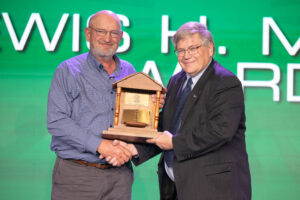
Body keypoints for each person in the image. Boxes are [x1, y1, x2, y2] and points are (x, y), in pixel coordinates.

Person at [132, 22, 252, 199]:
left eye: (193, 48)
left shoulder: (226, 82)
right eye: (180, 50)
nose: (186, 55)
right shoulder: (176, 81)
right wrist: (134, 148)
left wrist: (174, 143)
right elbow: (167, 127)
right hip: (175, 187)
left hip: (213, 190)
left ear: (210, 49)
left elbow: (221, 131)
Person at [47, 10, 141, 200]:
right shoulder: (67, 70)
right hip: (77, 176)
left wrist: (153, 103)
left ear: (121, 37)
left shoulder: (129, 71)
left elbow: (134, 118)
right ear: (88, 33)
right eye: (101, 31)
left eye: (114, 33)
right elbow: (56, 121)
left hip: (120, 177)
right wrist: (100, 145)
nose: (108, 38)